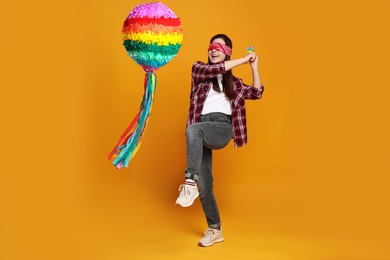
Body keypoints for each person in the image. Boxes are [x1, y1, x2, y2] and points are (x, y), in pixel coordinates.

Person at [175, 34, 264, 247]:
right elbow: (214, 69)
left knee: (192, 130)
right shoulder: (199, 70)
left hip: (221, 127)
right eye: (211, 46)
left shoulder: (233, 83)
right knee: (205, 184)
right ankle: (215, 230)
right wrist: (243, 59)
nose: (213, 50)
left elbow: (257, 92)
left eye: (219, 47)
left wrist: (253, 65)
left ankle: (189, 183)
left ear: (227, 53)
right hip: (200, 129)